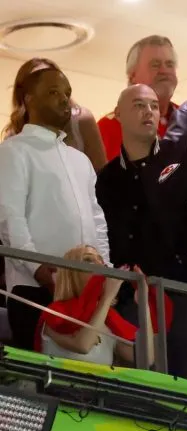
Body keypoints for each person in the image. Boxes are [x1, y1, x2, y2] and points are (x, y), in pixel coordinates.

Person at [95, 84, 187, 382]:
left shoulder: (183, 151)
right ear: (117, 114)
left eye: (153, 105)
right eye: (138, 104)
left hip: (184, 289)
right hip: (132, 295)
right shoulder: (107, 178)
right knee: (136, 382)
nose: (148, 111)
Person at [0, 64, 109, 350]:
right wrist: (38, 270)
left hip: (85, 290)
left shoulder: (79, 159)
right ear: (28, 100)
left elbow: (97, 220)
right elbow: (10, 218)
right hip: (34, 289)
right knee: (40, 385)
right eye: (53, 92)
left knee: (88, 383)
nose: (64, 99)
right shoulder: (14, 150)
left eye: (67, 93)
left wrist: (106, 273)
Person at [36, 245, 165, 368]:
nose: (101, 266)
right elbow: (83, 345)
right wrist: (107, 298)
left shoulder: (109, 319)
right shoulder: (56, 313)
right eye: (88, 260)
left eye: (101, 261)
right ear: (71, 274)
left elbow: (145, 358)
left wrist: (144, 304)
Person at [3, 58, 106, 172]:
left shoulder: (81, 120)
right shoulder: (13, 137)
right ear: (28, 98)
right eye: (50, 91)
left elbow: (102, 176)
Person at [98, 36, 179, 161]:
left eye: (170, 64)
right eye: (155, 65)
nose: (165, 71)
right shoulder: (107, 128)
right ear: (132, 76)